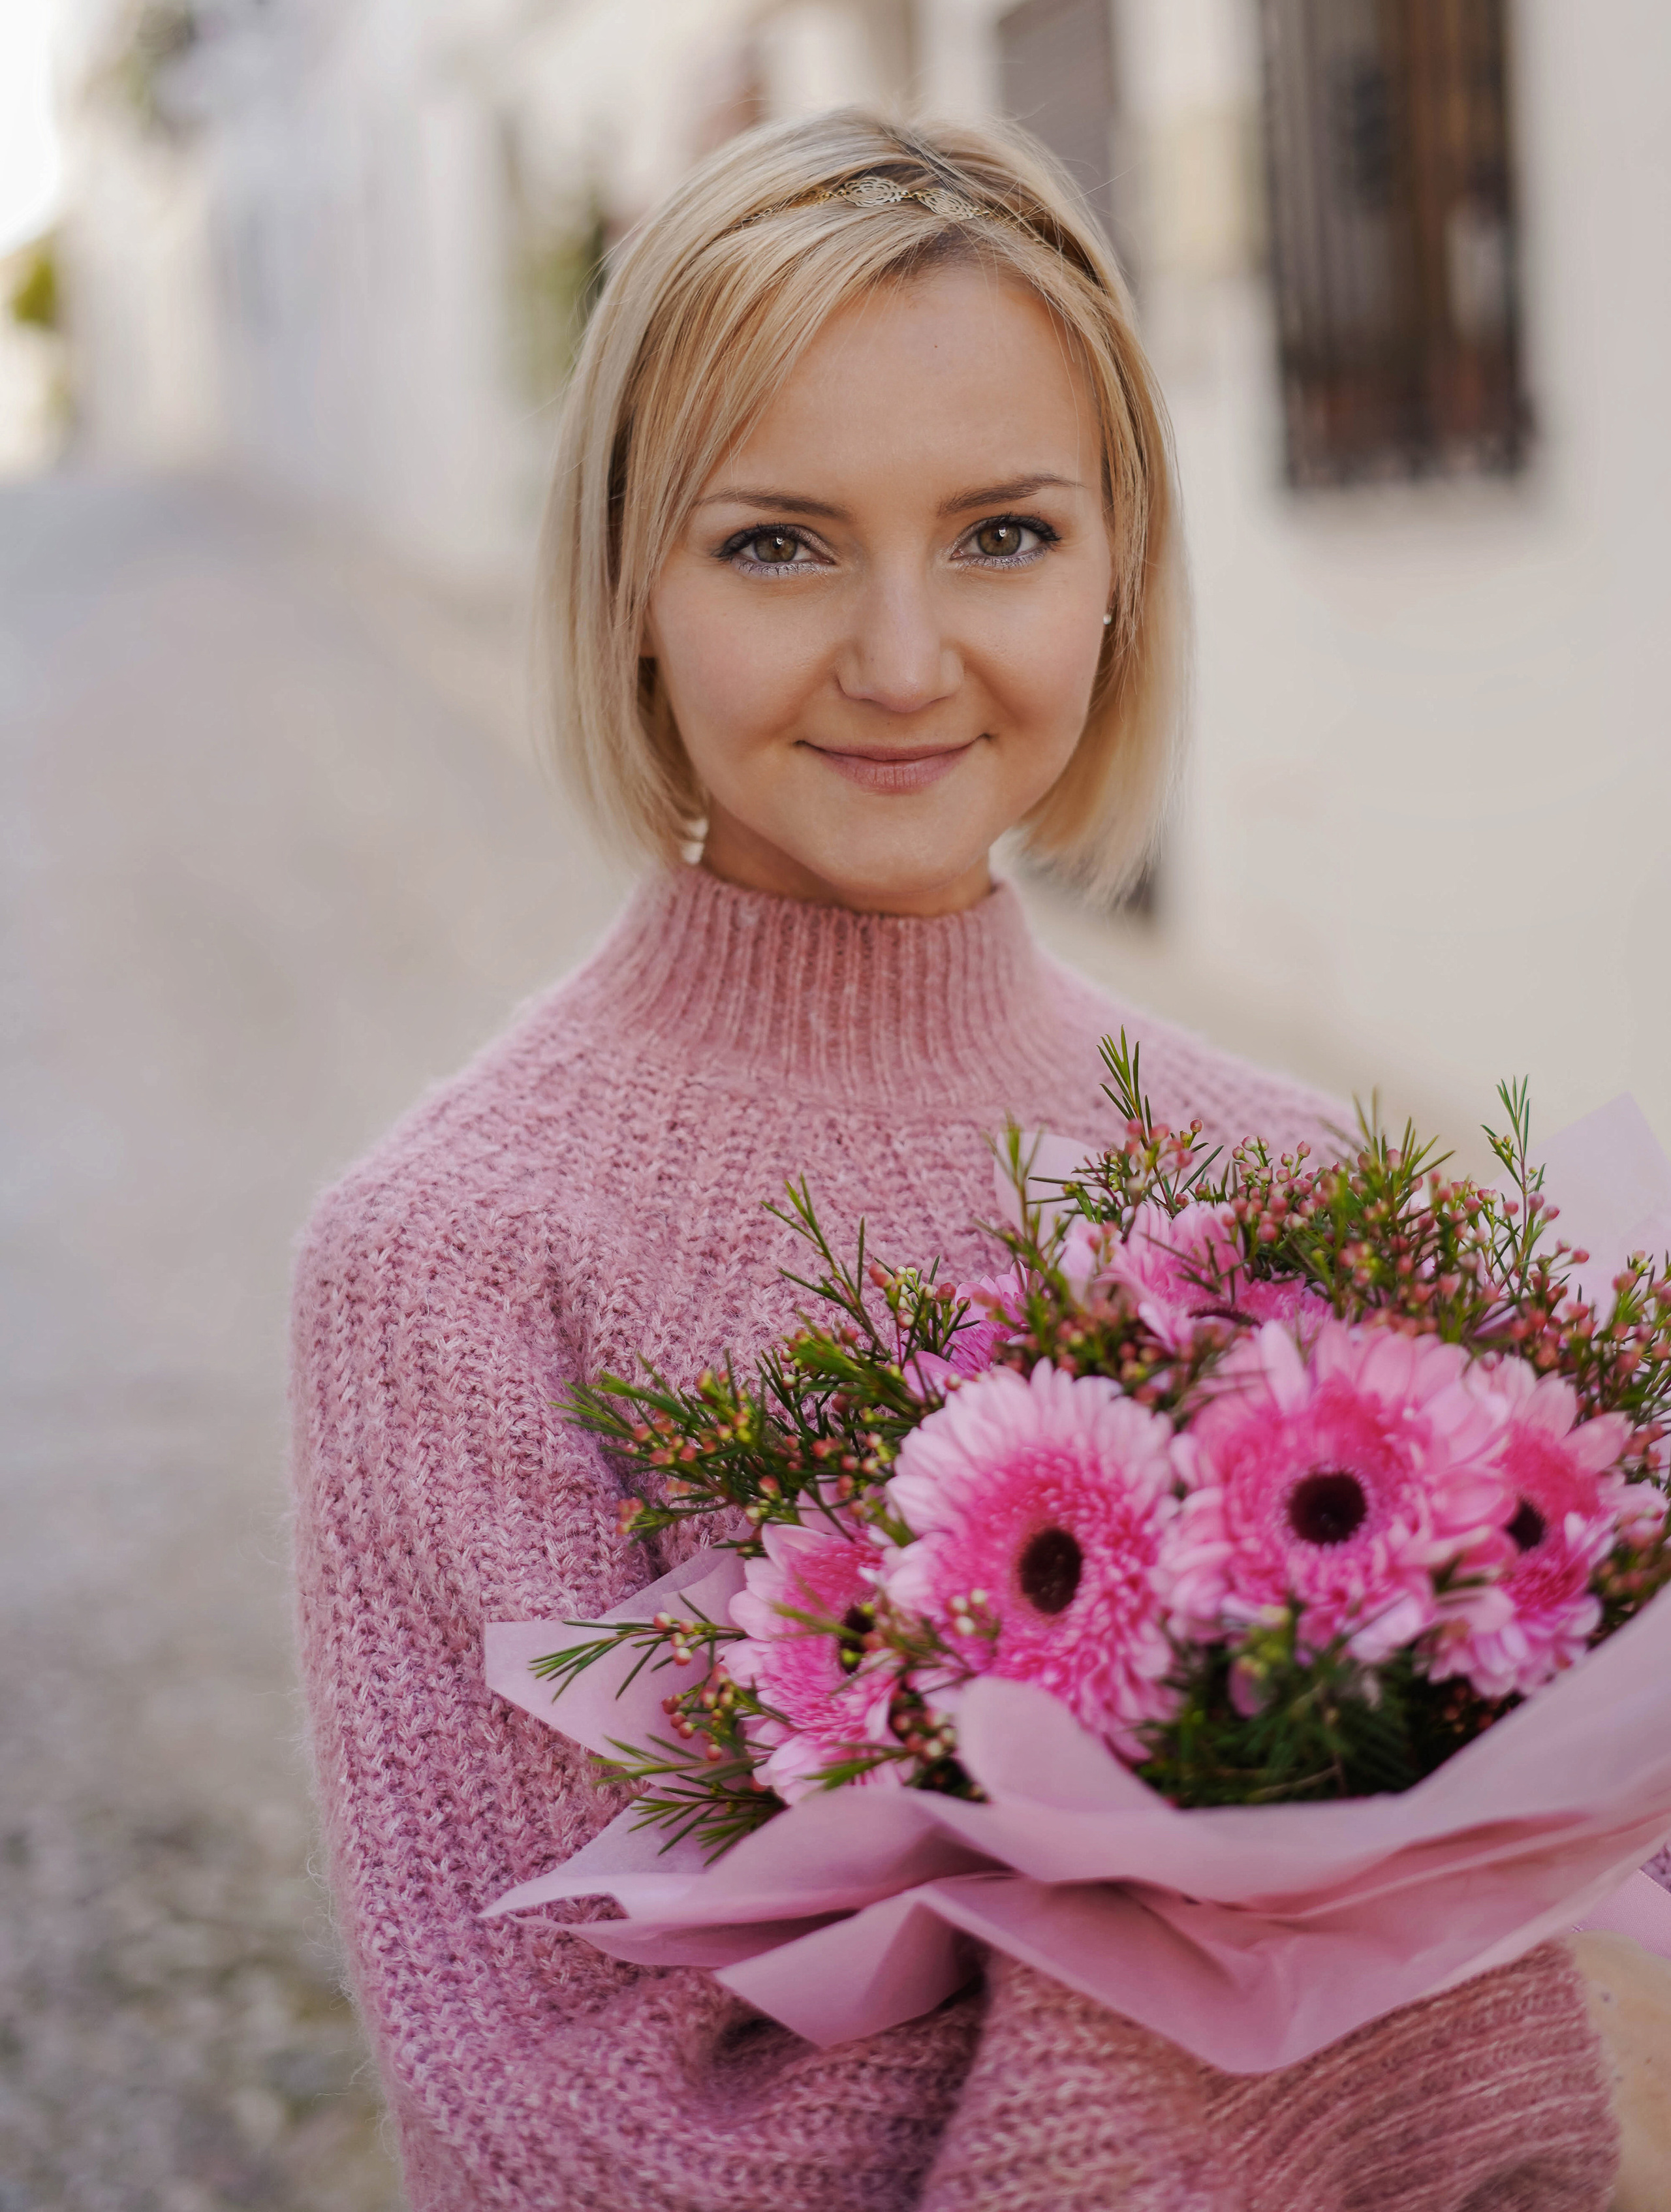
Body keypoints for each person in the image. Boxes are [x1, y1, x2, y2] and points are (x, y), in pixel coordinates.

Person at [290, 111, 1624, 2210]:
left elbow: (1509, 2047)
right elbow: (549, 2115)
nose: (905, 660)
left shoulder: (1288, 1189)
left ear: (1121, 572)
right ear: (630, 587)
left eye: (1004, 535)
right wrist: (1238, 2035)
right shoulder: (454, 1261)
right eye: (779, 543)